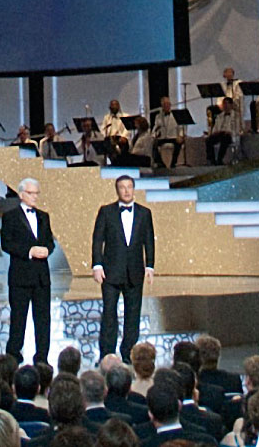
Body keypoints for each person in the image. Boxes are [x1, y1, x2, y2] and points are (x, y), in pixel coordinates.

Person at [92, 175, 157, 360]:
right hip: (110, 271)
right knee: (109, 313)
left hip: (134, 271)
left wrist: (150, 266)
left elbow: (149, 240)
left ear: (134, 189)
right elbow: (98, 239)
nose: (127, 191)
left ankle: (128, 352)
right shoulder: (106, 211)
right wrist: (97, 265)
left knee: (133, 314)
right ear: (117, 190)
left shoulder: (145, 213)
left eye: (129, 187)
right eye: (122, 187)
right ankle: (107, 354)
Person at [3, 178, 59, 365]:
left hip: (41, 277)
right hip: (20, 276)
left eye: (37, 193)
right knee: (18, 318)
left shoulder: (44, 216)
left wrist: (47, 250)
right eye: (31, 193)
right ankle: (13, 355)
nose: (35, 197)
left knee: (43, 319)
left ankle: (42, 357)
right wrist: (29, 251)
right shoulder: (10, 216)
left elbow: (49, 241)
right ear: (21, 194)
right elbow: (6, 243)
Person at [146, 98, 185, 167]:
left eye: (167, 104)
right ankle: (160, 163)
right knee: (153, 144)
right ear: (162, 106)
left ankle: (173, 163)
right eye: (164, 104)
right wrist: (153, 135)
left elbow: (180, 127)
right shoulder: (158, 116)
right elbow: (156, 127)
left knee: (178, 144)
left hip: (173, 137)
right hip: (163, 137)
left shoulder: (175, 115)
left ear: (170, 105)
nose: (166, 106)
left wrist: (180, 136)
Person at [206, 98, 244, 168]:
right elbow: (215, 127)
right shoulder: (219, 116)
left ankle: (219, 159)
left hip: (230, 134)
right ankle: (211, 160)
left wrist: (230, 132)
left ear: (231, 105)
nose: (225, 105)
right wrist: (215, 132)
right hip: (220, 133)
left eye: (227, 103)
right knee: (209, 140)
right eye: (224, 104)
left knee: (225, 138)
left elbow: (239, 128)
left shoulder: (236, 115)